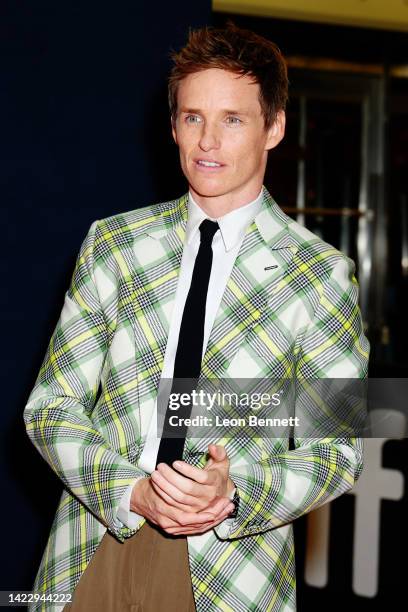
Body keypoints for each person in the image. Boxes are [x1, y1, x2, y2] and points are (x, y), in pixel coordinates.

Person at [24, 23, 369, 612]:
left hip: (233, 573)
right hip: (95, 539)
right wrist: (133, 491)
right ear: (174, 126)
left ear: (274, 127)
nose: (208, 140)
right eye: (192, 117)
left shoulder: (321, 274)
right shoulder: (115, 244)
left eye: (232, 119)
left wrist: (234, 496)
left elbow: (339, 452)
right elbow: (49, 409)